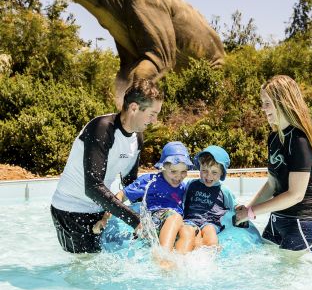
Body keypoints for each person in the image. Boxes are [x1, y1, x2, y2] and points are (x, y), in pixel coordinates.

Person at [50, 79, 163, 254]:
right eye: (152, 114)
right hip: (71, 211)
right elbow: (93, 187)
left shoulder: (137, 137)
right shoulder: (102, 129)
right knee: (86, 269)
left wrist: (151, 212)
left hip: (101, 211)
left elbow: (130, 183)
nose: (155, 120)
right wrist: (136, 221)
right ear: (134, 108)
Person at [235, 75, 312, 253]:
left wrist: (252, 213)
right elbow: (272, 183)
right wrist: (248, 209)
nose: (263, 108)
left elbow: (295, 195)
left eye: (267, 103)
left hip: (302, 224)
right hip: (277, 221)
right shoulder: (274, 138)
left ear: (283, 102)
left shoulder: (299, 140)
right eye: (263, 103)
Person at [95, 142, 194, 255]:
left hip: (173, 225)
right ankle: (162, 257)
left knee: (188, 230)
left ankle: (178, 264)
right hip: (153, 223)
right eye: (173, 171)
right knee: (175, 217)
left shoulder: (183, 187)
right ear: (163, 167)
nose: (178, 176)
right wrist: (105, 218)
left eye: (183, 172)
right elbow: (121, 196)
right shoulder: (150, 181)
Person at [175, 145, 236, 253]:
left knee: (209, 232)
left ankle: (209, 257)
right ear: (199, 168)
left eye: (214, 172)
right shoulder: (191, 184)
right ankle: (179, 259)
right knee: (186, 231)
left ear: (222, 173)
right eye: (204, 171)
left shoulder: (224, 190)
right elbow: (181, 201)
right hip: (190, 221)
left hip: (211, 222)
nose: (208, 176)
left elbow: (234, 207)